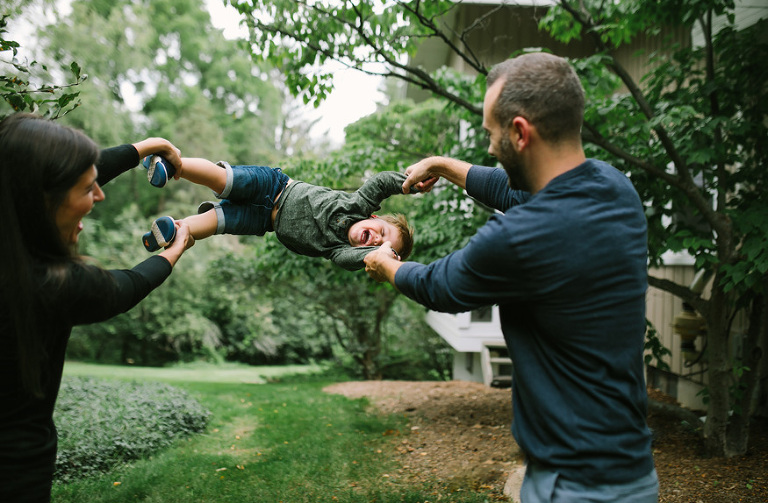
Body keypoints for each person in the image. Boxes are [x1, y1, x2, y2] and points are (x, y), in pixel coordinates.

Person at [364, 52, 658, 502]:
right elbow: (509, 187)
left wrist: (386, 264)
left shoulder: (524, 236)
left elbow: (439, 286)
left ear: (520, 132)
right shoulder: (614, 187)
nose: (489, 147)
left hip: (574, 485)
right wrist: (440, 164)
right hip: (632, 474)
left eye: (491, 134)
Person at [0, 113, 193, 502]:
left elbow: (51, 174)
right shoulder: (52, 286)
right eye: (89, 189)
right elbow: (128, 286)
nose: (99, 195)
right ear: (44, 200)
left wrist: (149, 146)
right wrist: (174, 250)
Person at [141, 156, 414, 271]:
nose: (376, 240)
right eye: (383, 234)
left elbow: (358, 259)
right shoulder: (358, 205)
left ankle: (175, 231)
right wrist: (409, 183)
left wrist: (382, 255)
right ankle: (172, 164)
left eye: (379, 246)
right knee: (223, 179)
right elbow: (380, 184)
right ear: (373, 218)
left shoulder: (339, 250)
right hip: (273, 186)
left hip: (262, 221)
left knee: (217, 222)